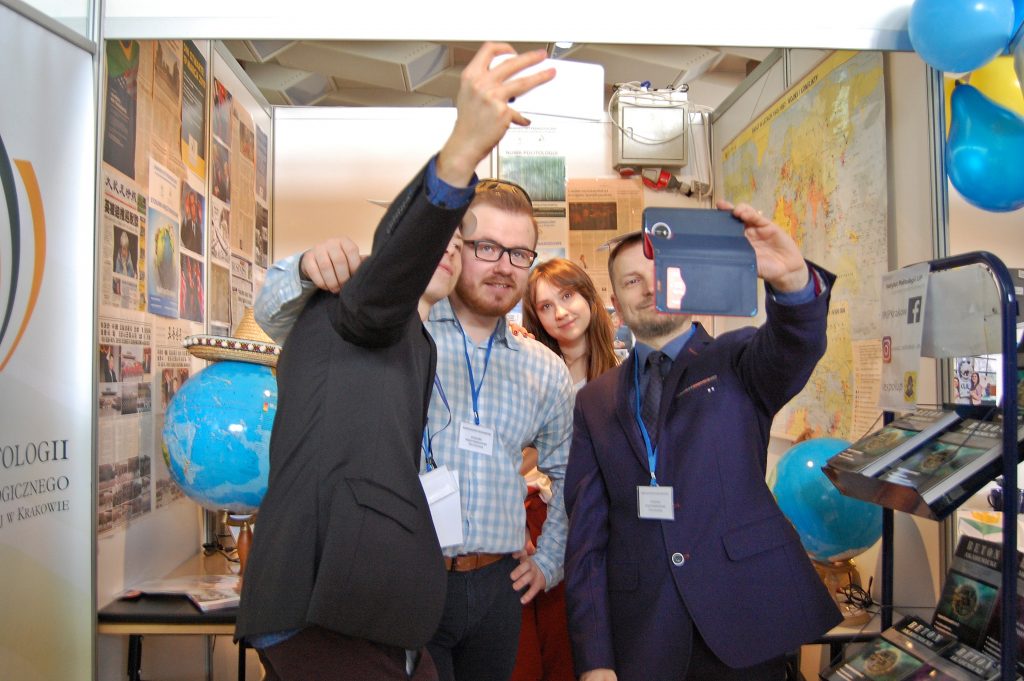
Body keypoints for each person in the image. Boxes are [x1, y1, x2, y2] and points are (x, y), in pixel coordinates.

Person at [235, 42, 556, 681]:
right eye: (451, 237)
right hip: (326, 602)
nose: (454, 250)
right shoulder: (355, 304)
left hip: (379, 608)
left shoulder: (419, 340)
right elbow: (386, 272)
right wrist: (460, 151)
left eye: (462, 243)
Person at [564, 203, 843, 681]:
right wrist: (595, 659)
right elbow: (587, 541)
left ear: (685, 281)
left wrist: (792, 281)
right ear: (615, 300)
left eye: (661, 274)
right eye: (632, 281)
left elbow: (797, 343)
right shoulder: (595, 400)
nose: (650, 288)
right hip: (645, 632)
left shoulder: (739, 360)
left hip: (744, 617)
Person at [509, 258, 619, 681]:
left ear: (588, 296)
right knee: (541, 645)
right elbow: (516, 452)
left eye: (568, 296)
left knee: (590, 643)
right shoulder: (531, 371)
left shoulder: (622, 375)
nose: (561, 312)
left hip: (603, 524)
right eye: (545, 306)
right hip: (541, 518)